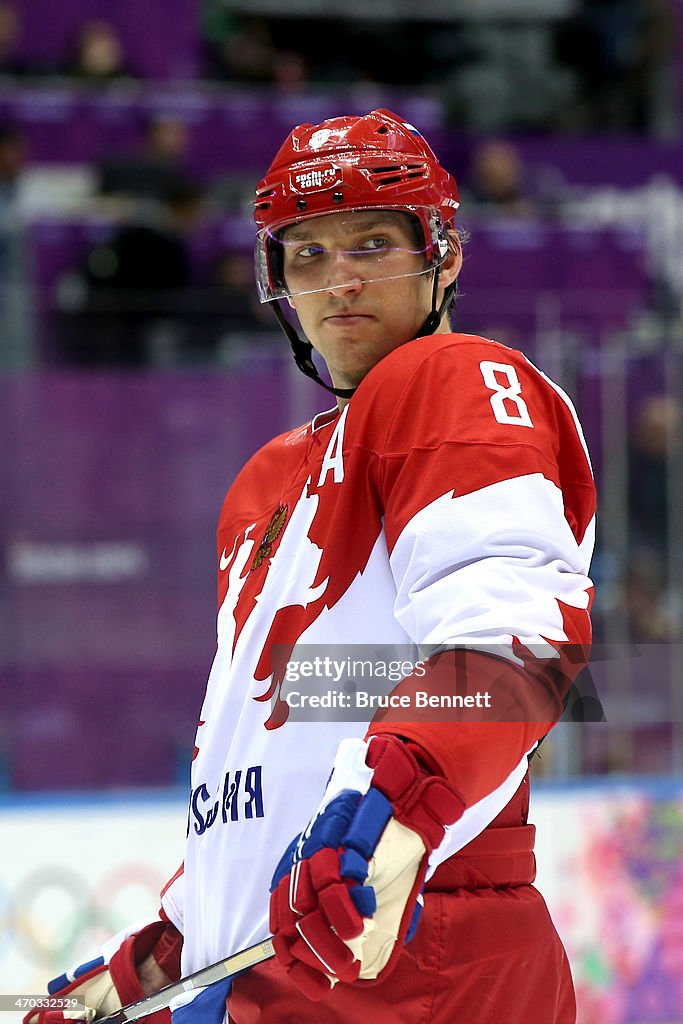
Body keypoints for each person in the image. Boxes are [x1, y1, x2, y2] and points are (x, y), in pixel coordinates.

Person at [27, 109, 595, 1023]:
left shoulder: (451, 378)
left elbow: (513, 636)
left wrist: (396, 811)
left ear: (442, 256)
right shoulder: (267, 478)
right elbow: (265, 753)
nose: (339, 282)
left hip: (412, 954)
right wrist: (167, 955)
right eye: (307, 256)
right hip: (293, 958)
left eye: (371, 242)